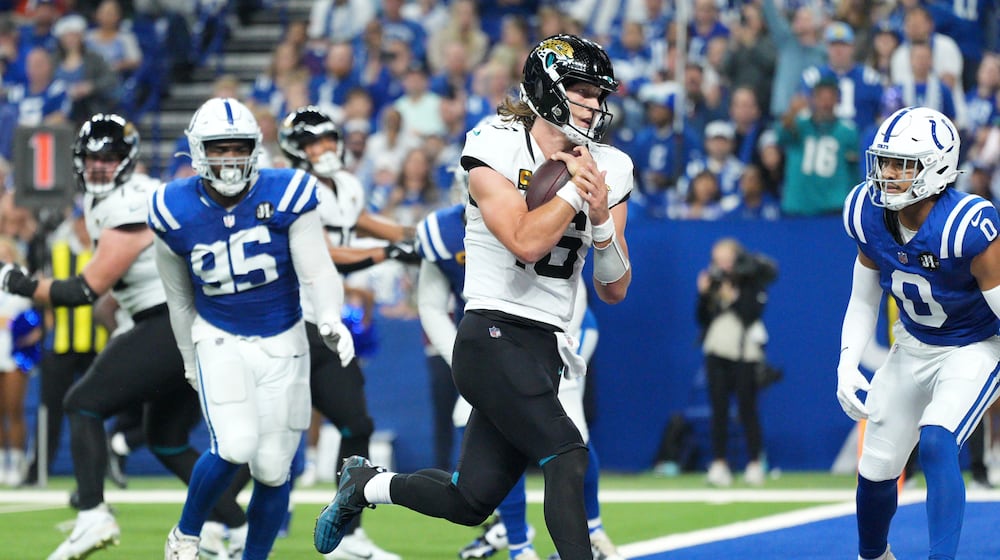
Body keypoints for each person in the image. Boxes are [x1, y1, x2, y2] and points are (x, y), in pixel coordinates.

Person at [314, 34, 633, 560]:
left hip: (548, 344)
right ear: (547, 89)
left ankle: (366, 484)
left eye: (598, 94)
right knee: (568, 454)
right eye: (581, 90)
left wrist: (600, 219)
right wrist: (577, 192)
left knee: (470, 499)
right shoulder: (495, 142)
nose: (594, 105)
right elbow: (526, 242)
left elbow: (614, 286)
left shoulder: (611, 165)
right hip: (492, 333)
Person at [0, 113, 249, 560]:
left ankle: (93, 514)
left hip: (174, 322)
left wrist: (15, 282)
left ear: (127, 161)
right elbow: (124, 280)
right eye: (91, 158)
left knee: (82, 403)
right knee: (167, 437)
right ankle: (234, 522)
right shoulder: (117, 199)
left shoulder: (131, 200)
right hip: (186, 322)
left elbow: (82, 289)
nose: (98, 167)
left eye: (109, 157)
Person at [150, 97, 355, 560]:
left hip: (284, 338)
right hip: (219, 334)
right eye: (218, 149)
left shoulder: (287, 191)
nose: (229, 158)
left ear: (255, 148)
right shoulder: (172, 207)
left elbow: (318, 270)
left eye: (237, 147)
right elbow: (180, 297)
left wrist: (329, 316)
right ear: (198, 151)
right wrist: (188, 358)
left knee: (273, 469)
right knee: (237, 444)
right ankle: (185, 536)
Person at [837, 106, 1000, 560]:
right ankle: (873, 556)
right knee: (876, 468)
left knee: (936, 437)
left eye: (901, 164)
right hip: (913, 344)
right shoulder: (868, 213)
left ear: (938, 167)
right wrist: (846, 363)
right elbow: (864, 297)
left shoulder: (966, 225)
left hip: (976, 345)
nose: (887, 174)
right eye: (884, 162)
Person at [277, 104, 418, 560]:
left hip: (327, 322)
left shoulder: (348, 186)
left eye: (326, 139)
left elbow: (374, 225)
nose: (323, 149)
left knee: (357, 424)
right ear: (295, 151)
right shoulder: (291, 188)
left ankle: (348, 531)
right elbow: (324, 253)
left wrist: (431, 234)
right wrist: (385, 254)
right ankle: (224, 522)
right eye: (312, 142)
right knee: (267, 437)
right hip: (286, 322)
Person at [696, 238, 777, 487]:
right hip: (717, 349)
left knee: (747, 408)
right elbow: (701, 318)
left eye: (726, 259)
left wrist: (732, 296)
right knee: (718, 409)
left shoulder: (751, 281)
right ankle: (719, 463)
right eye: (717, 259)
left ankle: (755, 462)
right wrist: (704, 294)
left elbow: (751, 314)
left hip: (744, 352)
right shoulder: (713, 281)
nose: (721, 265)